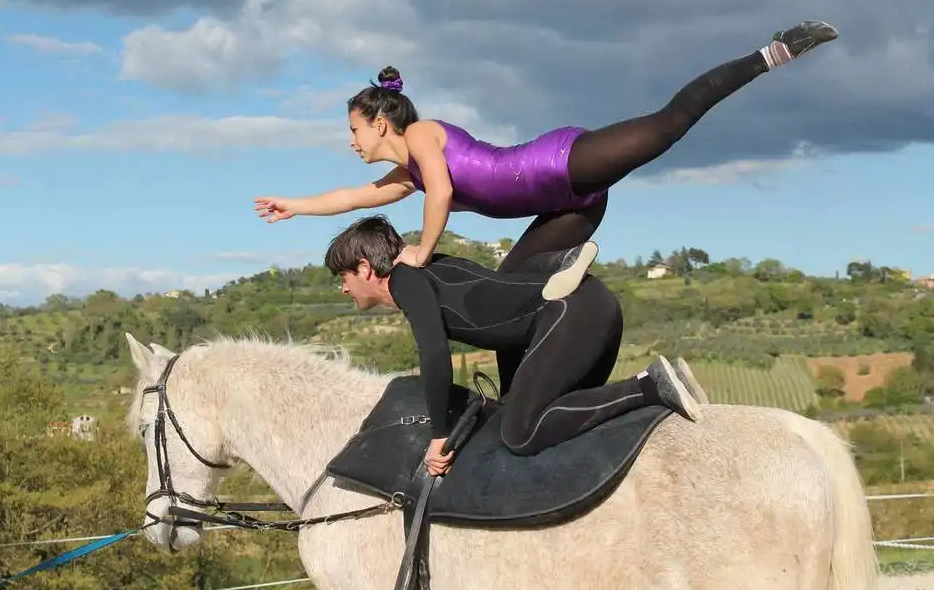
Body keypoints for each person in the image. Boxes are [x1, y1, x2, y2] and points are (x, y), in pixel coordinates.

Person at [258, 20, 838, 387]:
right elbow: (348, 196)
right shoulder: (403, 172)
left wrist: (421, 253)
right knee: (509, 314)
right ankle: (532, 396)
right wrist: (294, 206)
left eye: (353, 130)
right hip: (566, 214)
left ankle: (774, 51)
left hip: (561, 164)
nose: (352, 142)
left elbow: (441, 192)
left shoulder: (421, 137)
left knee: (667, 126)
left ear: (379, 121)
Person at [323, 215, 704, 477]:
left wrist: (439, 435)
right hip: (591, 305)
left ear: (365, 268)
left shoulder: (406, 280)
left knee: (520, 432)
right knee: (557, 417)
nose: (343, 288)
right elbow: (504, 324)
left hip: (569, 315)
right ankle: (562, 263)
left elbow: (435, 353)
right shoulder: (428, 266)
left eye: (343, 276)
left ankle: (651, 387)